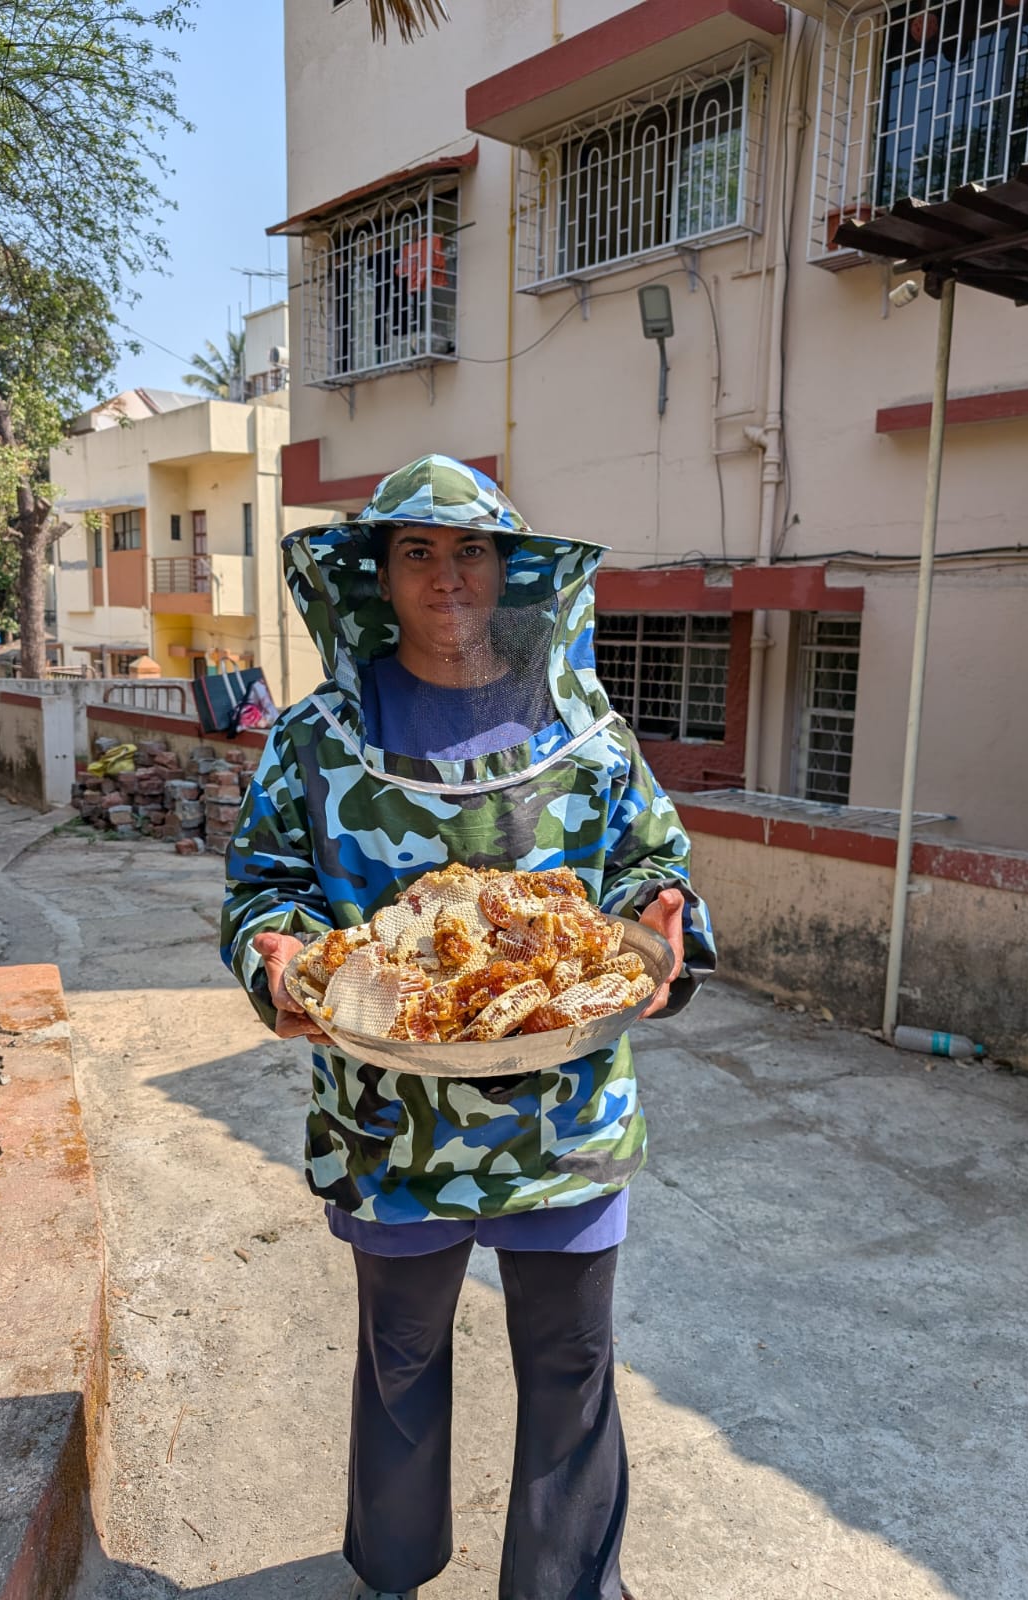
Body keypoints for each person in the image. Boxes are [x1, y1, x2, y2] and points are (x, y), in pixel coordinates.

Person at [222, 457, 715, 1600]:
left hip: (565, 1117)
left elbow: (653, 864)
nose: (447, 575)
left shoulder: (586, 732)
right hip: (387, 1124)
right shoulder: (315, 738)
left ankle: (568, 1585)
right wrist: (280, 958)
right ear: (375, 578)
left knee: (571, 1360)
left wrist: (665, 914)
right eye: (416, 552)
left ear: (512, 573)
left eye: (473, 551)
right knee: (400, 1360)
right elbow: (265, 886)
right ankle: (391, 1571)